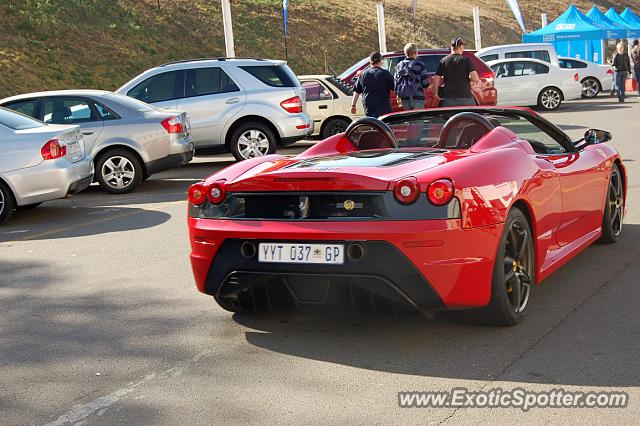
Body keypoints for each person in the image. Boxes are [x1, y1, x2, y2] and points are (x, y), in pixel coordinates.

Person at [432, 37, 479, 107]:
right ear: (460, 46)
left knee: (450, 118)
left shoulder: (443, 61)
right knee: (467, 117)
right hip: (466, 97)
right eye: (463, 46)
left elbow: (436, 79)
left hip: (449, 98)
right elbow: (474, 78)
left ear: (451, 47)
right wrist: (468, 79)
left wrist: (436, 94)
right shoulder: (466, 60)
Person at [351, 52, 395, 118]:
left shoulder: (363, 74)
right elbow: (395, 88)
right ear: (380, 61)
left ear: (370, 61)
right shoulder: (385, 74)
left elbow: (357, 91)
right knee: (385, 126)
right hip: (383, 107)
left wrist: (353, 105)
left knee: (373, 126)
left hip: (369, 108)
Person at [394, 43, 429, 110]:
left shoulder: (399, 66)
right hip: (418, 98)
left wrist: (398, 96)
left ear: (405, 53)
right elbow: (425, 84)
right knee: (418, 119)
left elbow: (396, 83)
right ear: (416, 52)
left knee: (408, 119)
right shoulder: (420, 65)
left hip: (404, 99)